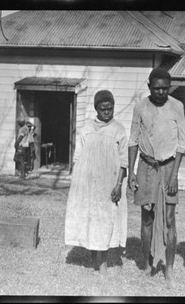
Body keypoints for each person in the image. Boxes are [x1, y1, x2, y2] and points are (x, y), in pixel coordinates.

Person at [127, 67, 185, 288]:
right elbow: (133, 139)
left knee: (170, 219)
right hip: (146, 166)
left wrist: (173, 176)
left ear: (169, 88)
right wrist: (132, 172)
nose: (161, 92)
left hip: (169, 168)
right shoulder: (140, 106)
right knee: (147, 218)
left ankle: (169, 269)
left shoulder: (177, 106)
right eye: (156, 88)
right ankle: (147, 265)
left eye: (165, 88)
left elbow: (182, 144)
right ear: (149, 87)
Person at [65, 90, 128, 276]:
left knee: (106, 223)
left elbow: (124, 161)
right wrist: (78, 184)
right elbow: (78, 157)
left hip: (109, 184)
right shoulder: (86, 128)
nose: (107, 112)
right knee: (92, 221)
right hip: (88, 184)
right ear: (96, 109)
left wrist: (118, 184)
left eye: (110, 108)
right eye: (103, 109)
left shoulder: (118, 129)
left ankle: (103, 267)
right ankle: (94, 262)